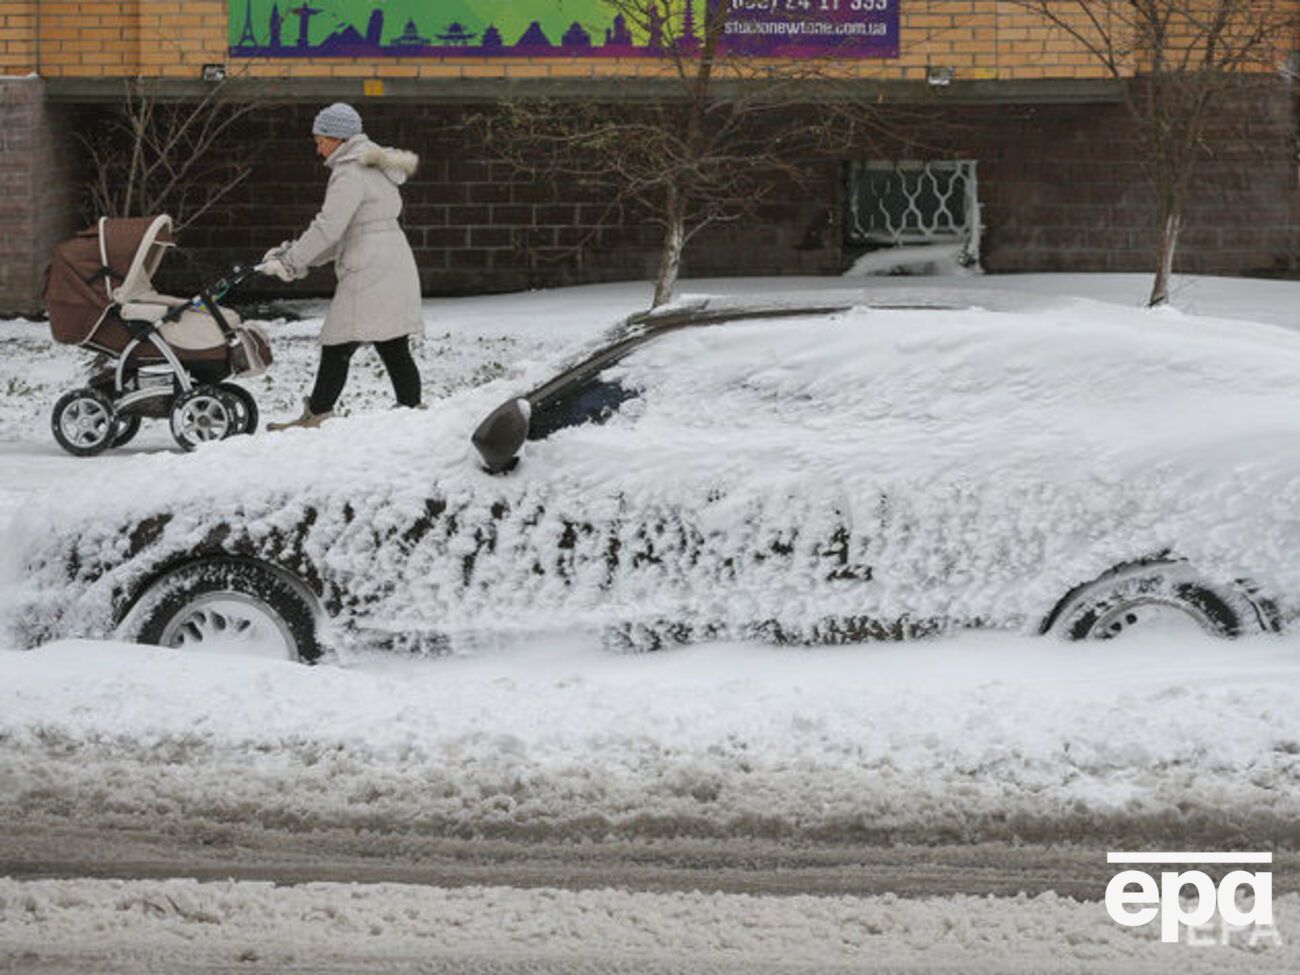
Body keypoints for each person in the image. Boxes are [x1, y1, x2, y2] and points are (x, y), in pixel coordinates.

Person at [260, 102, 423, 430]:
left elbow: (328, 227)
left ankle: (317, 415)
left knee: (339, 339)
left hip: (371, 265)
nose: (318, 147)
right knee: (390, 340)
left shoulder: (349, 171)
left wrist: (291, 261)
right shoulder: (372, 165)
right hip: (390, 256)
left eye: (320, 139)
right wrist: (298, 260)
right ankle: (412, 412)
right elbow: (345, 231)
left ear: (337, 138)